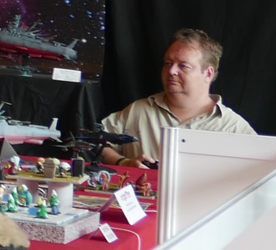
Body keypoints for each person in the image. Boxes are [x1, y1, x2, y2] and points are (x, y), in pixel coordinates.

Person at [100, 29, 256, 168]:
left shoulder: (233, 128)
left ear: (208, 74)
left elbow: (258, 175)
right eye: (168, 63)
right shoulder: (138, 111)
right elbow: (97, 142)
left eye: (184, 66)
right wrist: (123, 162)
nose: (172, 71)